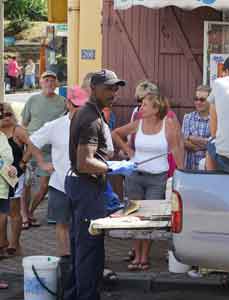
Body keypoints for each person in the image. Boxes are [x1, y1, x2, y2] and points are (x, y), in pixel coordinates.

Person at [65, 69, 133, 300]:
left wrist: (112, 163)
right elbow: (84, 163)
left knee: (83, 249)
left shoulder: (93, 113)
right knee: (88, 252)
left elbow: (91, 158)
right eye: (108, 88)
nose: (113, 92)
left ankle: (76, 294)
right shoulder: (90, 118)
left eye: (116, 87)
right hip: (85, 187)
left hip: (86, 187)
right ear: (93, 89)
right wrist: (114, 167)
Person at [112, 88, 184, 271]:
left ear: (155, 108)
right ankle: (137, 255)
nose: (140, 107)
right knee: (134, 216)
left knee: (149, 218)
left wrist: (183, 173)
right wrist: (129, 152)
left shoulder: (168, 124)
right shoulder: (138, 123)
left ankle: (144, 257)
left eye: (144, 105)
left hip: (157, 178)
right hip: (135, 175)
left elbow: (176, 148)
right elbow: (115, 133)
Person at [28, 86, 90, 257]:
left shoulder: (95, 124)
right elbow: (32, 141)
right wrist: (42, 162)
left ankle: (82, 259)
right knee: (62, 223)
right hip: (60, 184)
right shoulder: (55, 126)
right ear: (68, 104)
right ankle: (65, 258)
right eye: (77, 105)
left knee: (84, 225)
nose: (80, 109)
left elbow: (108, 150)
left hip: (86, 185)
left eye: (84, 106)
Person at [21, 70, 66, 228]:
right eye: (46, 80)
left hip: (51, 151)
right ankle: (24, 216)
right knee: (26, 183)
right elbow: (24, 124)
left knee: (44, 185)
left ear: (57, 84)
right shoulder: (33, 100)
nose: (49, 83)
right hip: (31, 149)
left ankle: (31, 211)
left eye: (52, 80)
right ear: (40, 82)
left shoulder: (63, 102)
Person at [0, 103, 32, 255]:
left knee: (13, 211)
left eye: (8, 114)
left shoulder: (18, 130)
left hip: (15, 176)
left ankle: (15, 244)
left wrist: (23, 162)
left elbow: (32, 146)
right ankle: (3, 241)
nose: (6, 117)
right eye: (2, 114)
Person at [0, 106, 18, 259]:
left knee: (6, 215)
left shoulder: (5, 135)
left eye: (7, 114)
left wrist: (19, 165)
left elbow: (8, 159)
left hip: (6, 182)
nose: (4, 118)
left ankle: (7, 245)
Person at [182, 85, 211, 170]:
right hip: (190, 168)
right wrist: (205, 144)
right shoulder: (188, 117)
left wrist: (191, 138)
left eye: (202, 100)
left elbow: (216, 145)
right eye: (196, 99)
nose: (198, 102)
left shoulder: (216, 120)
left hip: (208, 168)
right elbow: (183, 142)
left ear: (210, 101)